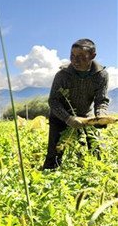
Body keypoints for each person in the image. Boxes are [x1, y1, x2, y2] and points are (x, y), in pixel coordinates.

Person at [42, 39, 110, 170]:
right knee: (54, 155)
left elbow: (101, 100)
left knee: (96, 150)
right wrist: (68, 118)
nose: (75, 61)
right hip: (60, 118)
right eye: (72, 56)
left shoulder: (101, 75)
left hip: (85, 117)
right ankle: (49, 173)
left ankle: (90, 174)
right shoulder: (62, 75)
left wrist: (101, 115)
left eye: (81, 57)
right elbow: (53, 101)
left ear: (92, 56)